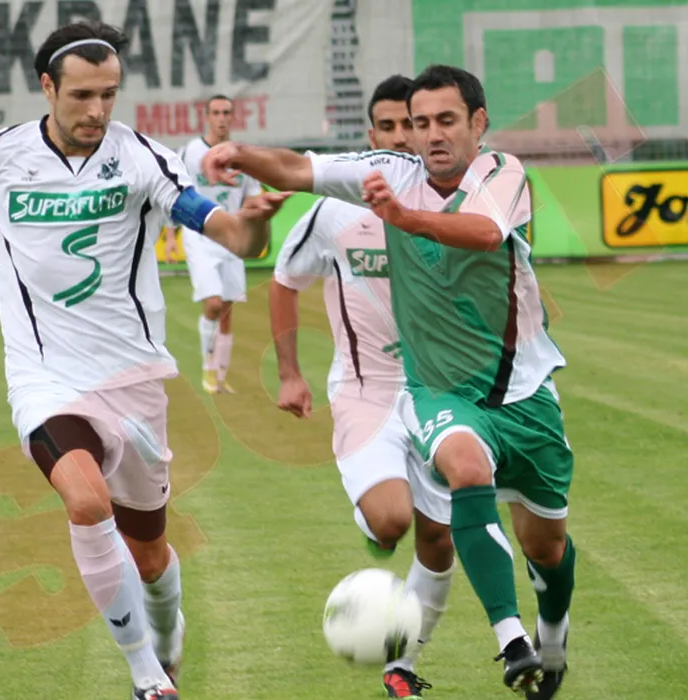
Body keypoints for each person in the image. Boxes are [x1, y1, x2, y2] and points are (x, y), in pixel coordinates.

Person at [0, 22, 288, 700]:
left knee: (151, 554)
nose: (97, 110)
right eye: (82, 95)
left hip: (133, 379)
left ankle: (167, 634)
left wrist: (254, 223)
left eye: (109, 94)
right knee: (85, 500)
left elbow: (228, 234)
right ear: (47, 87)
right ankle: (145, 675)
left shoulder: (143, 158)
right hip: (45, 378)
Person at [203, 64, 574, 698]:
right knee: (451, 483)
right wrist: (239, 153)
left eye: (443, 121)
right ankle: (508, 641)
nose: (427, 135)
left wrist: (402, 217)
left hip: (522, 390)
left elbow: (485, 233)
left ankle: (553, 637)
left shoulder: (501, 173)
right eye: (418, 122)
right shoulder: (386, 176)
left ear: (478, 123)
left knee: (547, 547)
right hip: (431, 390)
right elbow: (296, 169)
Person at [270, 75, 454, 699]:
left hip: (438, 392)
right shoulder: (335, 210)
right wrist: (290, 373)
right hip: (364, 390)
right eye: (390, 126)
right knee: (393, 520)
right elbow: (285, 280)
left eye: (413, 124)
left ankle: (402, 665)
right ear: (371, 134)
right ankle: (375, 526)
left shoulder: (453, 202)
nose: (402, 137)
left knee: (440, 539)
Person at [164, 95, 262, 394]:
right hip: (200, 235)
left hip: (232, 237)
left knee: (228, 310)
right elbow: (172, 192)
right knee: (213, 303)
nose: (221, 118)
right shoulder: (190, 152)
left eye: (226, 113)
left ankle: (220, 375)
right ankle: (208, 367)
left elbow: (253, 196)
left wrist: (255, 223)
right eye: (216, 113)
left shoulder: (243, 157)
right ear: (206, 117)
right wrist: (170, 236)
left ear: (233, 117)